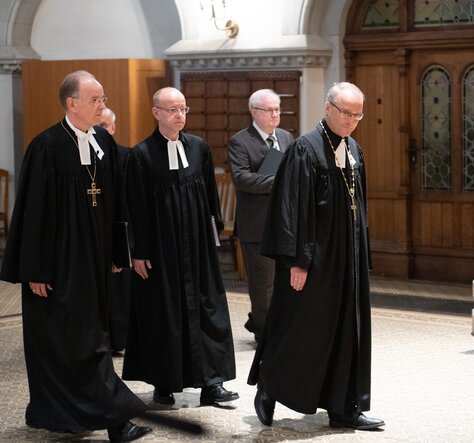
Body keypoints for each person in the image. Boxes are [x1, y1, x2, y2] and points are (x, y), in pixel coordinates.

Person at [0, 70, 151, 441]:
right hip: (59, 265)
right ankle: (102, 418)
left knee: (90, 339)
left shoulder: (102, 140)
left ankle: (83, 415)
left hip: (95, 260)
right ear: (73, 104)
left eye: (103, 98)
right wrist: (35, 269)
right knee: (64, 344)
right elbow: (33, 212)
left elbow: (115, 203)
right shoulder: (47, 146)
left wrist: (118, 251)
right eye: (96, 99)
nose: (104, 105)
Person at [248, 82, 384, 431]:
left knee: (347, 331)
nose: (351, 121)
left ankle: (344, 407)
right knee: (303, 331)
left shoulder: (354, 149)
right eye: (345, 113)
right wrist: (298, 260)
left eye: (357, 115)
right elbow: (292, 208)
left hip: (347, 259)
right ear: (328, 108)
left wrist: (361, 253)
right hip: (314, 259)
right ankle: (270, 386)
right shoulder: (304, 150)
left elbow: (360, 207)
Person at [122, 86, 238, 407]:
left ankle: (212, 384)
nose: (179, 115)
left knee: (207, 309)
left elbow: (211, 199)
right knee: (164, 313)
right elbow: (136, 207)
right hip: (161, 249)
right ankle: (164, 383)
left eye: (183, 109)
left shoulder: (199, 148)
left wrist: (213, 231)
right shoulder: (141, 154)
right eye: (172, 109)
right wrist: (140, 251)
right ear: (156, 112)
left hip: (198, 247)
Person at [227, 89, 294, 342]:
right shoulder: (240, 141)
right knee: (263, 284)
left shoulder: (286, 137)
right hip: (257, 225)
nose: (276, 114)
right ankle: (265, 336)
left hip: (284, 222)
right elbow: (242, 179)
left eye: (278, 109)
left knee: (283, 281)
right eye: (270, 110)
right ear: (254, 111)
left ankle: (267, 324)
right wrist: (278, 181)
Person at [99, 107, 132, 354]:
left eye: (105, 127)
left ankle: (119, 339)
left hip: (120, 229)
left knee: (120, 289)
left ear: (113, 128)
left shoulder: (127, 157)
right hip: (93, 232)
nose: (101, 131)